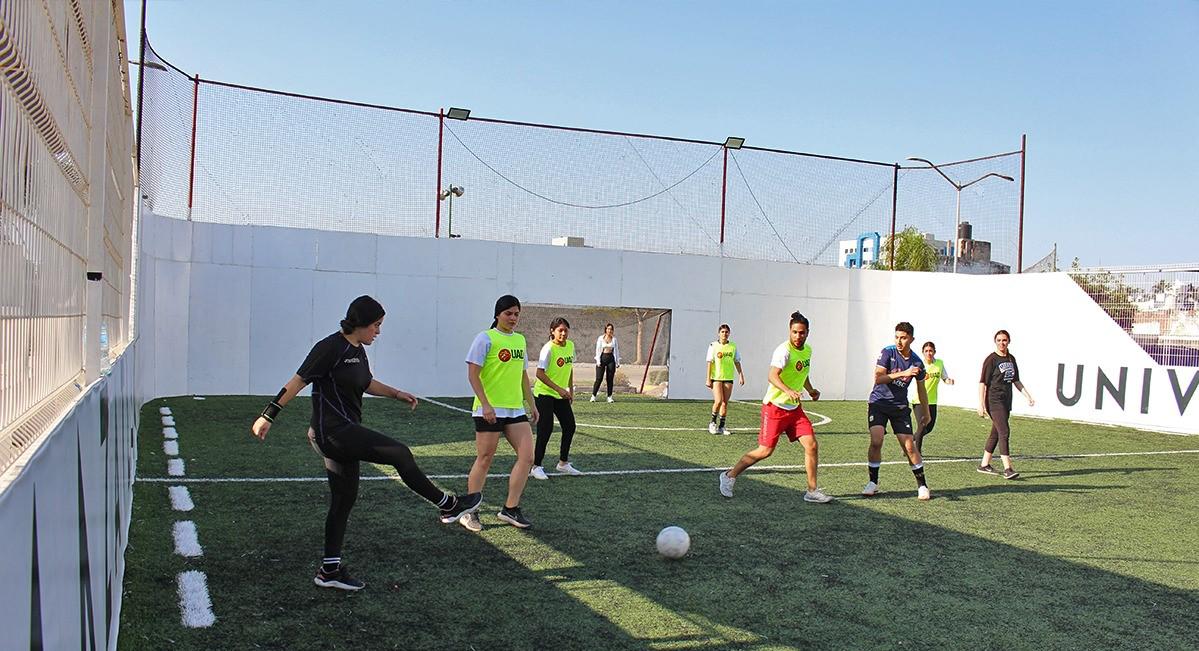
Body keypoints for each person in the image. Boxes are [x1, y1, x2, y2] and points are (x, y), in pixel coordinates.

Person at [249, 295, 481, 591]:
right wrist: (268, 415)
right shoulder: (329, 347)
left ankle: (329, 571)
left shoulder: (358, 350)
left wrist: (397, 393)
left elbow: (366, 382)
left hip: (344, 432)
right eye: (376, 325)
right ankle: (448, 505)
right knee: (400, 453)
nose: (379, 332)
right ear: (360, 323)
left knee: (343, 501)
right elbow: (298, 381)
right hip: (332, 433)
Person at [719, 312, 831, 503]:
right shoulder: (783, 350)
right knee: (765, 451)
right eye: (794, 332)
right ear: (790, 331)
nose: (798, 336)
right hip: (775, 407)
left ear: (807, 333)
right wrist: (788, 391)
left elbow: (802, 374)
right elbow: (772, 375)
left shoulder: (807, 351)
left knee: (811, 445)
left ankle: (811, 491)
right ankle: (729, 476)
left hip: (794, 410)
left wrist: (811, 390)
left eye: (801, 333)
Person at [462, 295, 540, 531]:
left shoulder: (520, 340)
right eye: (509, 313)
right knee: (485, 459)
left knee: (527, 457)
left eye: (517, 314)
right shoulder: (485, 338)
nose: (513, 318)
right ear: (498, 314)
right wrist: (485, 405)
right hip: (490, 409)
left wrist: (532, 403)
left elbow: (522, 376)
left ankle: (510, 509)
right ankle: (470, 511)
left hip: (515, 409)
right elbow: (473, 374)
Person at [863, 322, 933, 500]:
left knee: (909, 446)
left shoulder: (917, 361)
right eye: (897, 337)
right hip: (878, 402)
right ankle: (873, 482)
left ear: (911, 339)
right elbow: (878, 379)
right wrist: (903, 373)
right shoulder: (888, 352)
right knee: (876, 440)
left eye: (903, 337)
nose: (899, 341)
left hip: (900, 407)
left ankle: (922, 485)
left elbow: (922, 389)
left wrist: (926, 411)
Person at [977, 329, 1035, 479]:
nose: (1002, 343)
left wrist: (1027, 396)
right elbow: (982, 383)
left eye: (1004, 340)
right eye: (999, 340)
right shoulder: (991, 359)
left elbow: (1016, 380)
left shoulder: (1011, 359)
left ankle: (984, 464)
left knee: (996, 433)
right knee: (1004, 431)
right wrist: (980, 404)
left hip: (1006, 401)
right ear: (995, 342)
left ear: (1009, 341)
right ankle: (1008, 468)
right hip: (993, 401)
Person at [530, 317, 582, 480]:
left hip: (561, 395)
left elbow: (569, 368)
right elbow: (539, 373)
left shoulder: (571, 346)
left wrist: (570, 390)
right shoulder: (548, 349)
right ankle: (536, 466)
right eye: (560, 330)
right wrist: (559, 389)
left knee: (570, 426)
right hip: (544, 394)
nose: (563, 333)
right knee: (546, 429)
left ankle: (563, 463)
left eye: (566, 330)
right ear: (552, 331)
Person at [912, 341, 954, 455]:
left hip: (932, 401)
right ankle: (917, 453)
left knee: (929, 428)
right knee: (922, 425)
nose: (929, 353)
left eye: (931, 351)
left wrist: (948, 380)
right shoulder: (919, 365)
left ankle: (909, 441)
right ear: (923, 352)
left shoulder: (939, 363)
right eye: (926, 351)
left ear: (934, 352)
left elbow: (944, 377)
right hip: (919, 400)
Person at [706, 324, 745, 435]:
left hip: (728, 378)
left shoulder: (733, 346)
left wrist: (741, 375)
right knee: (718, 401)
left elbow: (737, 361)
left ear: (729, 334)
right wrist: (708, 379)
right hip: (716, 377)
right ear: (719, 333)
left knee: (724, 403)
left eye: (726, 332)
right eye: (722, 332)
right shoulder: (713, 346)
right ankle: (712, 423)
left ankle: (722, 427)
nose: (724, 334)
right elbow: (709, 362)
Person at [591, 323, 620, 402]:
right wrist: (598, 361)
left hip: (611, 359)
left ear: (612, 330)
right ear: (605, 330)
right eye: (608, 329)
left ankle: (609, 397)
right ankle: (593, 396)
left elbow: (616, 351)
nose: (609, 330)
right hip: (602, 358)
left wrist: (617, 362)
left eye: (611, 329)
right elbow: (598, 350)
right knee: (599, 378)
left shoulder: (614, 339)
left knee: (610, 379)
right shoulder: (600, 338)